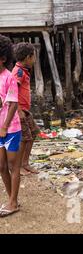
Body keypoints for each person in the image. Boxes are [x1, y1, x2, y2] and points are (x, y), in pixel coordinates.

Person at [0, 35, 22, 217]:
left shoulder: (9, 78)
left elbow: (13, 103)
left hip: (11, 129)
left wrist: (5, 126)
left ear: (3, 58)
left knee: (13, 165)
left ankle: (13, 202)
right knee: (1, 166)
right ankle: (11, 199)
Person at [12, 43, 39, 176]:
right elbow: (12, 91)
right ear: (28, 57)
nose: (34, 60)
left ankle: (25, 163)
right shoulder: (19, 72)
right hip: (19, 111)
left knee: (33, 133)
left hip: (25, 110)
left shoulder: (23, 70)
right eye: (33, 57)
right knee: (24, 138)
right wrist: (18, 111)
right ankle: (17, 166)